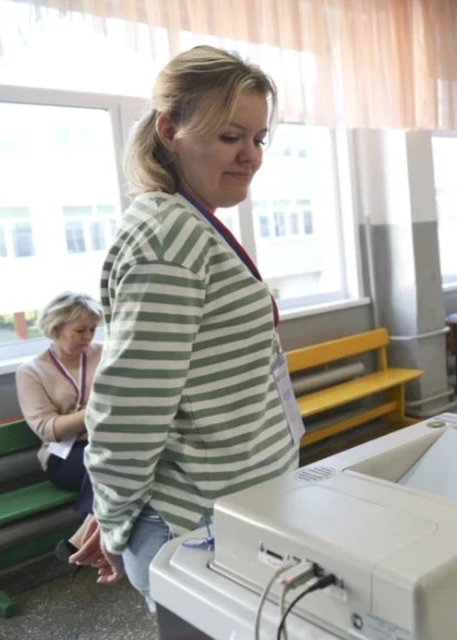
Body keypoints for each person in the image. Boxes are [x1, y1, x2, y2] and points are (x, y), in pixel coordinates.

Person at [69, 45, 300, 608]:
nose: (251, 156)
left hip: (236, 502)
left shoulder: (191, 224)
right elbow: (130, 411)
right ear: (170, 129)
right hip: (196, 521)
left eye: (258, 138)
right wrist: (115, 519)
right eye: (230, 136)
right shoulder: (168, 240)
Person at [15, 292, 102, 561]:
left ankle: (86, 535)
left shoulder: (105, 354)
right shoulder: (31, 371)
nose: (88, 337)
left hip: (107, 443)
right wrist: (98, 410)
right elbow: (48, 429)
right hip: (64, 455)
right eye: (80, 330)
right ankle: (96, 539)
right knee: (106, 461)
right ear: (55, 328)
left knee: (120, 457)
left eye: (92, 329)